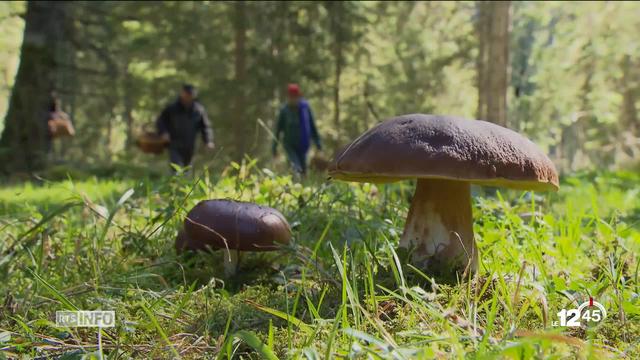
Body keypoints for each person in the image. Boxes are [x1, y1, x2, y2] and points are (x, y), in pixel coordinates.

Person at [156, 84, 214, 172]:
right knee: (176, 168)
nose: (188, 97)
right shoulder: (172, 108)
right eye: (186, 94)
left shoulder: (198, 110)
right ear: (182, 94)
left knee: (187, 169)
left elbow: (205, 127)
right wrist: (164, 132)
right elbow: (161, 121)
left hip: (190, 145)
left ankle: (183, 185)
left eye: (190, 95)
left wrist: (208, 141)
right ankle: (175, 184)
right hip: (174, 144)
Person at [272, 84, 322, 176]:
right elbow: (278, 130)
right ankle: (294, 184)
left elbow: (312, 127)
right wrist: (274, 149)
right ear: (288, 97)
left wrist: (318, 145)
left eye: (295, 97)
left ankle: (302, 187)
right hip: (289, 145)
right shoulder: (284, 111)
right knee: (295, 166)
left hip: (303, 145)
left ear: (299, 96)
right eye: (291, 97)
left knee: (304, 170)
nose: (293, 99)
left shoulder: (305, 108)